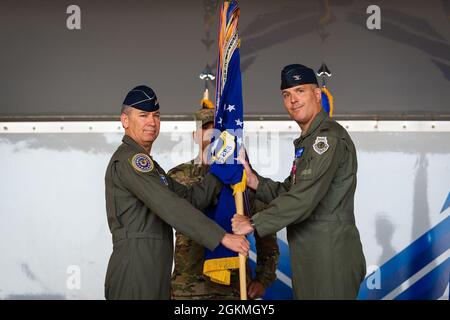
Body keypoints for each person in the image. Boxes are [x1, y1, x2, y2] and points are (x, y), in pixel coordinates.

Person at [231, 64, 366, 300]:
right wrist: (254, 180)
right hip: (312, 253)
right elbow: (290, 191)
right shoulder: (309, 140)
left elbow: (303, 198)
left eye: (300, 91)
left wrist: (253, 223)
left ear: (317, 94)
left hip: (329, 255)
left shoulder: (326, 138)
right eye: (287, 94)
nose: (293, 100)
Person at [104, 85, 249, 300]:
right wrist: (221, 237)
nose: (152, 122)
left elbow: (190, 199)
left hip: (153, 267)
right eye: (143, 115)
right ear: (125, 120)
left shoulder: (150, 166)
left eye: (156, 115)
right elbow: (171, 206)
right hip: (136, 266)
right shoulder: (131, 160)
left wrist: (221, 166)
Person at [169, 95, 279, 300]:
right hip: (188, 289)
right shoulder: (178, 176)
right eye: (206, 127)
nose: (212, 132)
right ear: (194, 135)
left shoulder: (240, 175)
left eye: (217, 129)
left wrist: (263, 278)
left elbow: (266, 231)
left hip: (234, 288)